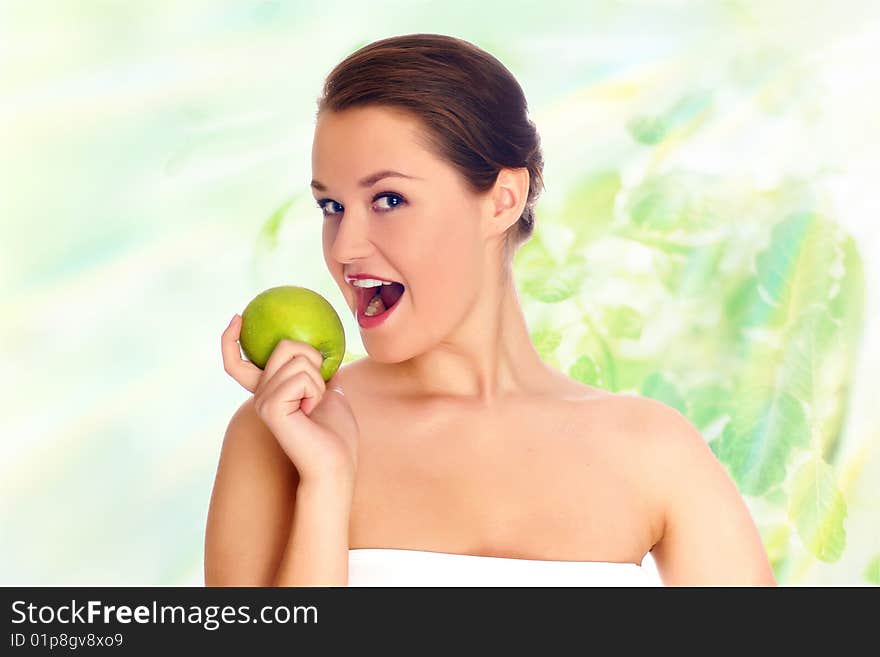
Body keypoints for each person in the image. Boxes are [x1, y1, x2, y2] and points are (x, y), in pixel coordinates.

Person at [205, 34, 776, 587]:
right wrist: (326, 484)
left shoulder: (652, 450)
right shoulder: (281, 436)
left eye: (389, 200)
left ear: (503, 200)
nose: (343, 246)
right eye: (331, 206)